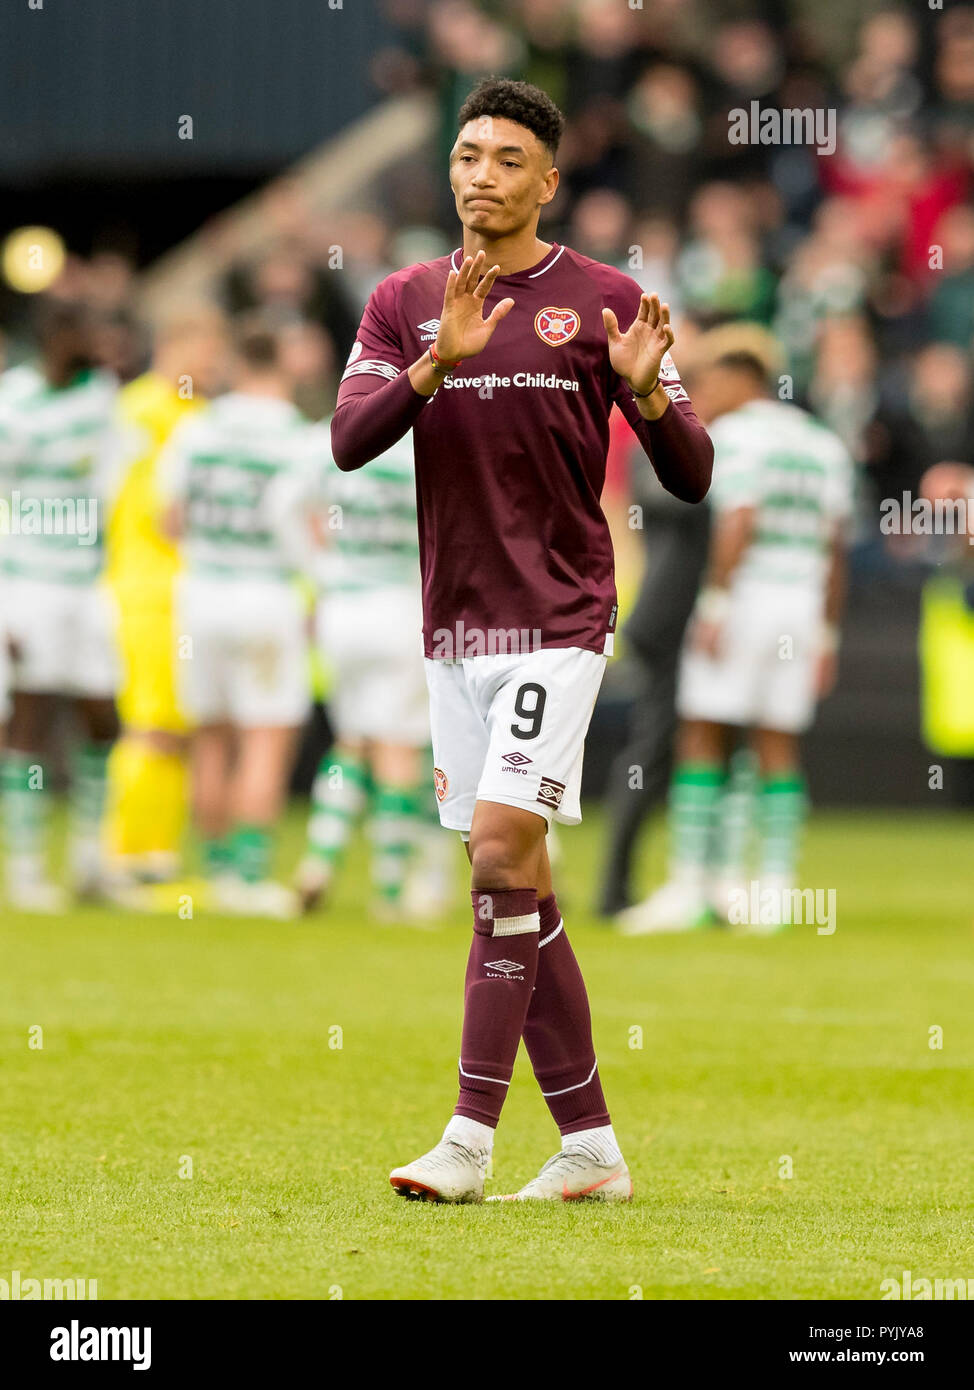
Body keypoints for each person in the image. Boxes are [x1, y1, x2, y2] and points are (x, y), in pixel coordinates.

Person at [330, 77, 712, 1203]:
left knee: (498, 854)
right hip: (455, 626)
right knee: (515, 885)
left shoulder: (603, 301)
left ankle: (467, 1135)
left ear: (547, 183)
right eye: (466, 154)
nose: (478, 174)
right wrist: (433, 361)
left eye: (505, 159)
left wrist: (644, 399)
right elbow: (351, 440)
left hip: (557, 617)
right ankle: (590, 1146)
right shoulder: (403, 301)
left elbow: (690, 473)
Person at [617, 348, 853, 935]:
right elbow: (837, 546)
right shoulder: (822, 443)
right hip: (800, 607)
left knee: (701, 732)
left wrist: (717, 603)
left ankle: (689, 884)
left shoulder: (738, 437)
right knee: (776, 744)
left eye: (711, 381)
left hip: (746, 598)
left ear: (741, 380)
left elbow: (738, 518)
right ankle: (770, 890)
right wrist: (826, 632)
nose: (701, 396)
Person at [157, 322, 318, 918]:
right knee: (265, 738)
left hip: (201, 596)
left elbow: (168, 520)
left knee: (210, 738)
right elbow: (312, 525)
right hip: (267, 597)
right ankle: (249, 880)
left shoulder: (195, 428)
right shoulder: (298, 439)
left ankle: (216, 871)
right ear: (282, 363)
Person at [296, 425, 451, 919]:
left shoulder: (330, 437)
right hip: (399, 606)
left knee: (350, 741)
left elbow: (282, 505)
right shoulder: (427, 443)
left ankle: (317, 862)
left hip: (341, 609)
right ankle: (389, 890)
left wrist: (320, 571)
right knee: (397, 749)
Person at [0, 298, 125, 911]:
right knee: (29, 717)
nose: (100, 341)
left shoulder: (100, 395)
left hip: (89, 582)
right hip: (29, 583)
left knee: (102, 717)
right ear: (57, 336)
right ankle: (24, 868)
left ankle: (88, 862)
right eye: (86, 329)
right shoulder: (12, 405)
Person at [104, 305, 227, 885]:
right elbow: (149, 511)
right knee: (150, 723)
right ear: (174, 347)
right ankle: (124, 853)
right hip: (147, 588)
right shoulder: (140, 411)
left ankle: (158, 855)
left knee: (178, 725)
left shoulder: (200, 415)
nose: (212, 364)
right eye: (204, 352)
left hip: (189, 587)